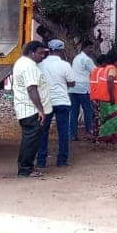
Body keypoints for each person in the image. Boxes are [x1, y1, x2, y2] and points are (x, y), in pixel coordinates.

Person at [12, 40, 53, 178]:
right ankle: (25, 169)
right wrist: (40, 109)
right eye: (40, 53)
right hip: (31, 110)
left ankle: (26, 167)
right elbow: (31, 88)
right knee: (30, 140)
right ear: (31, 52)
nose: (42, 56)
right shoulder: (29, 66)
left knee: (29, 140)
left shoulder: (23, 63)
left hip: (26, 109)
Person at [37, 38, 75, 168]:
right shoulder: (65, 65)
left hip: (46, 102)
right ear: (61, 50)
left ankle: (41, 161)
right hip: (62, 101)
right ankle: (62, 160)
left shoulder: (41, 64)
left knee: (43, 131)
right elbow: (71, 83)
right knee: (63, 132)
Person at [89, 49, 117, 144]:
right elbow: (110, 80)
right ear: (116, 60)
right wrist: (112, 97)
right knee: (114, 119)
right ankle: (108, 138)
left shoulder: (105, 69)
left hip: (105, 99)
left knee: (106, 119)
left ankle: (107, 138)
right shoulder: (112, 69)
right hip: (112, 100)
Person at [69, 40, 97, 141]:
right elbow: (95, 72)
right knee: (88, 110)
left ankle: (72, 135)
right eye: (90, 48)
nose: (91, 50)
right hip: (83, 88)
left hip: (73, 88)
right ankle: (88, 132)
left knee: (73, 112)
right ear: (85, 48)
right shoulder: (87, 60)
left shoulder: (77, 58)